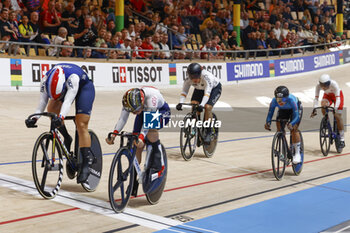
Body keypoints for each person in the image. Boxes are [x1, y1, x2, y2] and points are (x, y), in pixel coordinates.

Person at [25, 63, 95, 183]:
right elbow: (42, 102)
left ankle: (86, 164)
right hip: (63, 90)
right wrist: (35, 118)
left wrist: (61, 117)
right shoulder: (45, 80)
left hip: (84, 88)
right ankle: (67, 138)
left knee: (81, 123)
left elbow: (67, 102)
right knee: (51, 110)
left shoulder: (73, 78)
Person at [105, 87, 170, 194]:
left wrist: (141, 137)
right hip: (144, 111)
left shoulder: (151, 99)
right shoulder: (129, 101)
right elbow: (122, 119)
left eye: (135, 111)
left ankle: (159, 163)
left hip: (162, 111)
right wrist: (114, 134)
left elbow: (147, 125)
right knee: (136, 144)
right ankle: (134, 181)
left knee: (150, 132)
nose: (134, 113)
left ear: (142, 101)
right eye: (132, 111)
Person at [176, 63, 222, 143]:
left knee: (207, 107)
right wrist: (181, 103)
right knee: (194, 104)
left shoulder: (207, 77)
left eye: (196, 77)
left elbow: (207, 94)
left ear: (200, 74)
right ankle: (197, 128)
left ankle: (208, 131)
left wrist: (201, 105)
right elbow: (184, 91)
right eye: (192, 77)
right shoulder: (188, 79)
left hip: (214, 89)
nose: (194, 80)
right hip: (199, 89)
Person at [265, 86, 303, 164]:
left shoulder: (291, 100)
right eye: (278, 99)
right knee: (279, 127)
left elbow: (296, 116)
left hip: (294, 110)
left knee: (294, 129)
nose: (280, 102)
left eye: (283, 99)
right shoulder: (274, 101)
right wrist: (268, 122)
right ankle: (286, 149)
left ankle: (297, 153)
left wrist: (291, 123)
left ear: (287, 97)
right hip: (283, 110)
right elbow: (270, 113)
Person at [311, 74, 345, 148]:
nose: (324, 87)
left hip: (337, 96)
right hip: (328, 96)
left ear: (329, 83)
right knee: (323, 105)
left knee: (338, 116)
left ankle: (342, 139)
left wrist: (335, 109)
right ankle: (326, 121)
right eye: (322, 85)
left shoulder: (334, 84)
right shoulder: (318, 86)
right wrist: (315, 108)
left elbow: (338, 99)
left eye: (325, 85)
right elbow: (316, 98)